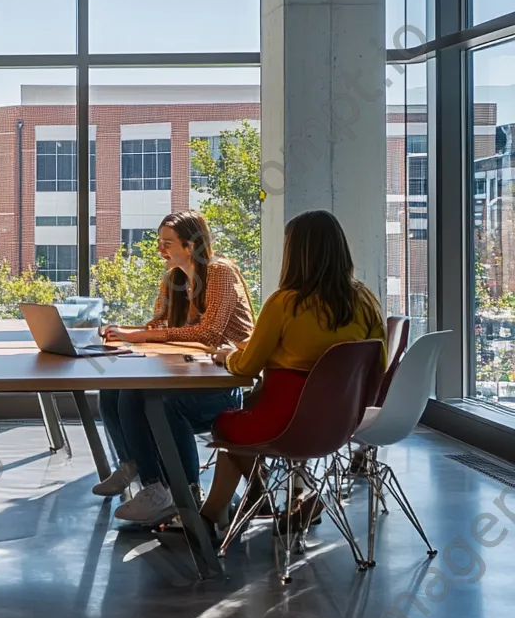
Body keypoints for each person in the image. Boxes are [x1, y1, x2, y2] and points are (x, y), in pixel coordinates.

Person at [197, 209, 387, 540]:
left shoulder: (284, 304)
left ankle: (218, 516)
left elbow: (246, 367)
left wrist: (227, 356)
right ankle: (288, 498)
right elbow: (378, 368)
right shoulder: (366, 300)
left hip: (282, 424)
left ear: (294, 255)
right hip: (342, 425)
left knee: (226, 427)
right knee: (247, 432)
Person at [93, 211, 255, 525]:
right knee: (112, 388)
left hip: (221, 386)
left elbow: (209, 334)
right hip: (190, 373)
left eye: (167, 244)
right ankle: (136, 470)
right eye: (160, 243)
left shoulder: (221, 273)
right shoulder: (174, 277)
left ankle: (182, 492)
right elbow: (161, 326)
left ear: (191, 244)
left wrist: (143, 334)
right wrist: (127, 332)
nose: (159, 250)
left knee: (143, 399)